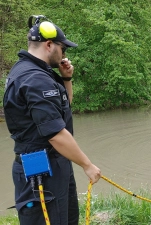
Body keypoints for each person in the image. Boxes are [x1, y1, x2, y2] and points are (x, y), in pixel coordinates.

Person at [3, 16, 101, 225]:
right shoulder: (34, 79)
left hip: (55, 164)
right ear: (49, 45)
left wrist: (66, 78)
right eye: (62, 49)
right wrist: (87, 165)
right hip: (41, 170)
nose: (64, 55)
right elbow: (55, 133)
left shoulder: (35, 72)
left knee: (67, 219)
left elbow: (62, 111)